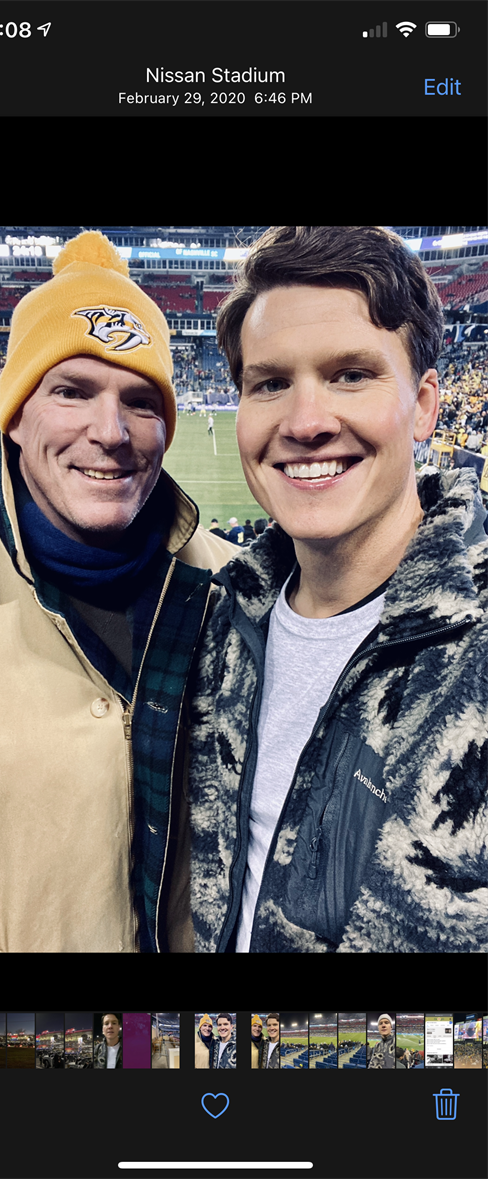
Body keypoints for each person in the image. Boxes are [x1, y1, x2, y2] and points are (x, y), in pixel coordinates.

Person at [188, 224, 488, 954]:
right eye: (269, 383)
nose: (305, 422)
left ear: (423, 406)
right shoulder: (216, 620)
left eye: (350, 374)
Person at [0, 230, 234, 955]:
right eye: (72, 391)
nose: (110, 432)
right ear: (13, 414)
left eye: (140, 400)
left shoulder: (241, 589)